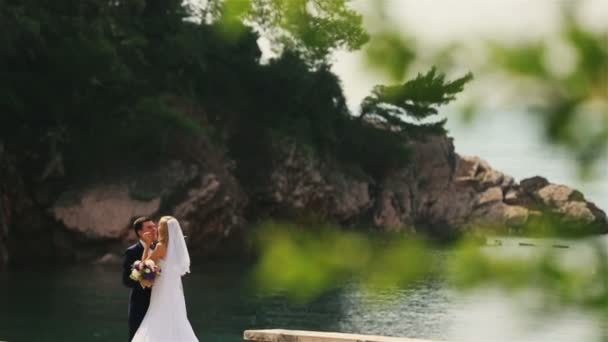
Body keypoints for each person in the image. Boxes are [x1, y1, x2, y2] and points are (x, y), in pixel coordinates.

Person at [132, 216, 199, 342]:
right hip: (174, 290)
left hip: (162, 289)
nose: (156, 229)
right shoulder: (177, 250)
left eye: (158, 227)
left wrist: (146, 245)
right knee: (176, 318)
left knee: (158, 316)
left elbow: (144, 264)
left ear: (163, 230)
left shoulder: (160, 247)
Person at [123, 216, 157, 341]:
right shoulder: (132, 252)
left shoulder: (162, 249)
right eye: (149, 227)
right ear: (140, 232)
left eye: (154, 226)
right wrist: (143, 278)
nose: (154, 229)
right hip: (140, 305)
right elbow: (126, 281)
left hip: (161, 300)